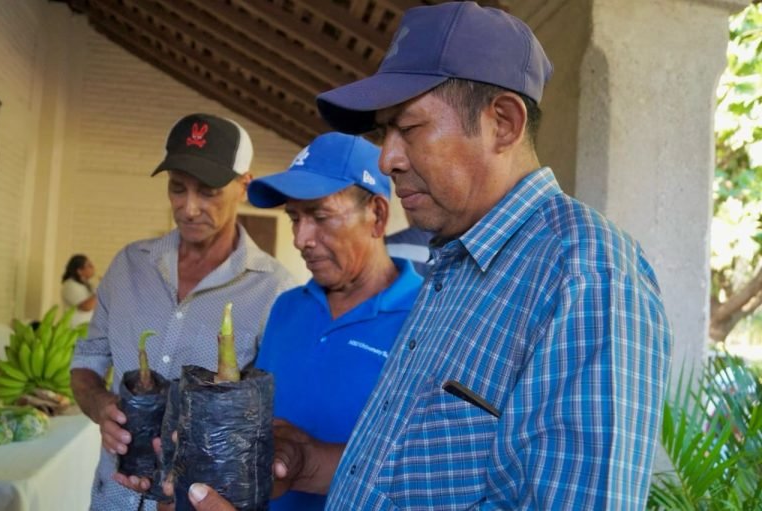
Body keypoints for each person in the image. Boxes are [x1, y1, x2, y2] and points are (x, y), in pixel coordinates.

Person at [189, 2, 673, 510]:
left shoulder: (588, 275)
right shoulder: (452, 265)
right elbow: (425, 476)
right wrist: (313, 463)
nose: (387, 158)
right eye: (384, 133)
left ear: (502, 123)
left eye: (409, 128)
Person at [70, 113, 296, 511]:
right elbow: (87, 360)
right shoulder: (128, 266)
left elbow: (265, 425)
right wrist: (100, 405)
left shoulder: (274, 290)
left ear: (243, 186)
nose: (189, 208)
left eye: (208, 191)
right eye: (178, 189)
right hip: (113, 498)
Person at [245, 131, 423, 511]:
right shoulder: (287, 308)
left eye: (320, 216)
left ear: (377, 215)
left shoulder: (428, 319)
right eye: (294, 217)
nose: (300, 238)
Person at [60, 253, 97, 326]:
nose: (93, 267)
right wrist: (103, 289)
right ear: (79, 271)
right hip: (75, 330)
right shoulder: (70, 285)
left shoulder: (88, 284)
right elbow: (86, 307)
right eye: (89, 266)